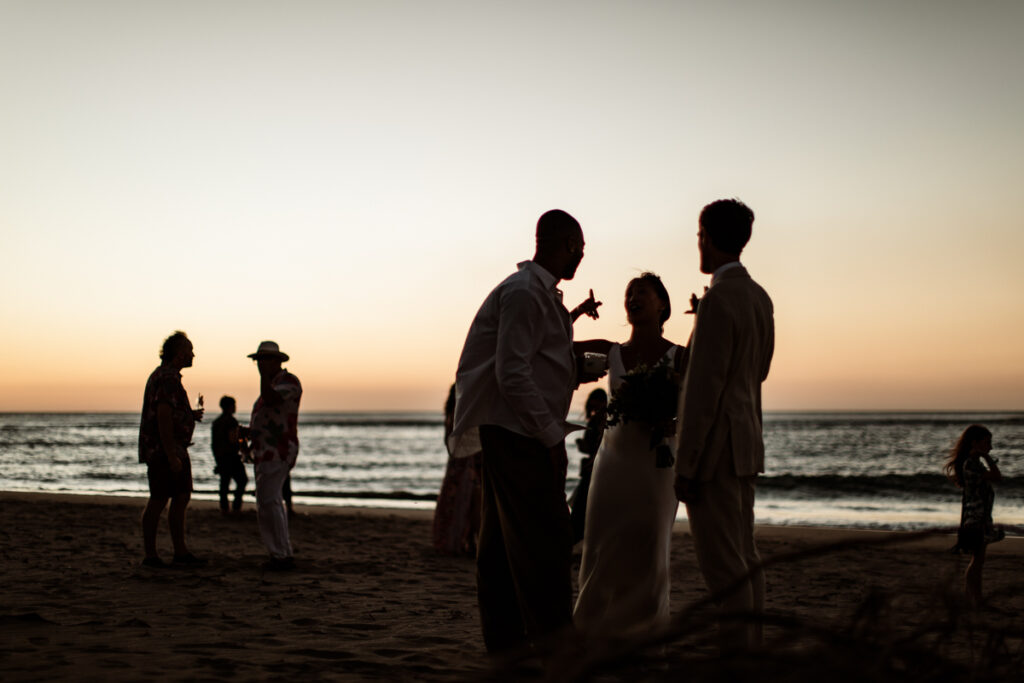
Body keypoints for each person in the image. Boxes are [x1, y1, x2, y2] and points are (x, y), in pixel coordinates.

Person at [449, 208, 604, 654]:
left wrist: (581, 363)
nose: (581, 258)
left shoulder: (541, 296)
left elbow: (542, 359)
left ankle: (506, 643)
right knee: (547, 539)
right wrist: (551, 436)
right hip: (520, 434)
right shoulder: (523, 294)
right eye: (580, 249)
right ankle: (553, 641)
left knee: (499, 546)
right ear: (563, 244)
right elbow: (512, 372)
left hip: (514, 431)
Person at [673, 199, 774, 651]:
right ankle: (750, 647)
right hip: (747, 445)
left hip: (716, 452)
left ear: (709, 238)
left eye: (699, 235)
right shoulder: (759, 297)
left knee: (722, 565)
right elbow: (761, 370)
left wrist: (686, 464)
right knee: (745, 556)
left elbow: (702, 394)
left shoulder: (718, 301)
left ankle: (737, 657)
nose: (697, 243)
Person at [572, 273, 684, 635]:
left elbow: (701, 400)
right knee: (602, 545)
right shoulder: (613, 351)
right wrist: (575, 312)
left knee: (650, 547)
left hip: (657, 465)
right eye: (629, 293)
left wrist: (675, 421)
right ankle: (591, 632)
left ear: (662, 305)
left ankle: (647, 634)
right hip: (613, 466)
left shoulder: (679, 355)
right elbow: (559, 344)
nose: (633, 297)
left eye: (642, 293)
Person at [138, 331, 206, 568]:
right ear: (179, 353)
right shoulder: (167, 379)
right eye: (189, 349)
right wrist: (171, 454)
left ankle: (176, 552)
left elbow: (169, 412)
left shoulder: (164, 376)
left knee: (178, 497)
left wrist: (189, 415)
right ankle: (155, 555)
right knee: (161, 499)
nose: (193, 354)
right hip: (167, 450)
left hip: (168, 449)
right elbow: (163, 417)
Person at [246, 341, 302, 571]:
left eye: (265, 359)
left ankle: (280, 555)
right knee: (269, 502)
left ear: (278, 361)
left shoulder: (289, 382)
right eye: (259, 360)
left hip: (278, 450)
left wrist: (263, 378)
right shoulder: (272, 385)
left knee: (269, 501)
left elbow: (272, 400)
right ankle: (280, 552)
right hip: (265, 450)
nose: (261, 364)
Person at [945, 424, 1004, 606]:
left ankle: (970, 598)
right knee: (977, 561)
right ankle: (976, 600)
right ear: (975, 443)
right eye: (987, 443)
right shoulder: (971, 464)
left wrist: (984, 456)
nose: (990, 447)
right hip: (976, 519)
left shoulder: (974, 463)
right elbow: (996, 476)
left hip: (981, 518)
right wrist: (986, 456)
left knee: (979, 560)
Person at [432, 384, 483, 556]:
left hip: (456, 464)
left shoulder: (450, 416)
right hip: (468, 463)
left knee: (458, 503)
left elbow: (448, 442)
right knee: (472, 503)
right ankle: (471, 541)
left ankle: (462, 540)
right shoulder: (463, 414)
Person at [568, 388, 607, 545]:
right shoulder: (596, 421)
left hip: (593, 470)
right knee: (583, 509)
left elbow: (597, 446)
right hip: (591, 469)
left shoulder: (601, 421)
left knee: (581, 510)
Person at [212, 396, 248, 515]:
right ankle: (236, 507)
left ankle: (224, 508)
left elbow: (214, 443)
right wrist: (243, 442)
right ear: (229, 407)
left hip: (221, 457)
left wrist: (217, 458)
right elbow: (233, 439)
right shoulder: (231, 421)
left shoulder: (216, 422)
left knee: (224, 483)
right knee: (242, 481)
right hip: (231, 456)